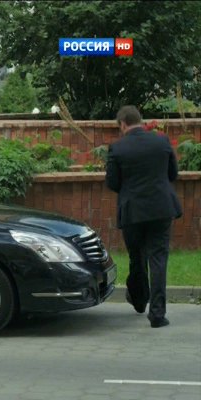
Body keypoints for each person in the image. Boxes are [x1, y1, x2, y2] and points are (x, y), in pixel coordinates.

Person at [105, 105, 182, 328]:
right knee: (158, 258)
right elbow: (172, 174)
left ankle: (139, 300)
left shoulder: (117, 149)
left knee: (136, 256)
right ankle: (157, 314)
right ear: (140, 120)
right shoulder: (161, 141)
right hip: (161, 209)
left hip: (133, 211)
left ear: (122, 124)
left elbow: (112, 183)